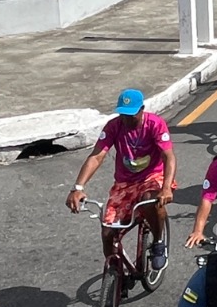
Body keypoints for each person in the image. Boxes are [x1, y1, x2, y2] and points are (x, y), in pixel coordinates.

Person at [65, 88, 176, 270]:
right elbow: (97, 156)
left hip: (152, 176)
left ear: (142, 109)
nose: (126, 119)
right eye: (123, 114)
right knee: (107, 230)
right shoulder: (113, 126)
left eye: (131, 115)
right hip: (125, 183)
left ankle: (158, 242)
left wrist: (166, 188)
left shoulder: (155, 124)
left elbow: (168, 156)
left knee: (149, 201)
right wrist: (77, 187)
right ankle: (115, 274)